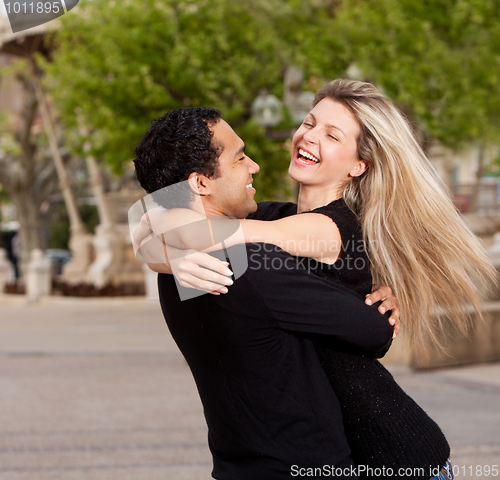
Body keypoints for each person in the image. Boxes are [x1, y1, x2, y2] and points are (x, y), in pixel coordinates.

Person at [136, 80, 495, 480]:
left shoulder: (331, 229)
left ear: (358, 165)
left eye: (332, 134)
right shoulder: (273, 217)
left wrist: (160, 247)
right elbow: (173, 214)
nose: (308, 136)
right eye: (309, 122)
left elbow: (187, 223)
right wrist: (162, 250)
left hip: (397, 454)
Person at [133, 106, 399, 480]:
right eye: (240, 157)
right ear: (201, 183)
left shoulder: (179, 268)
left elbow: (150, 218)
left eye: (332, 134)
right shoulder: (250, 264)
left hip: (235, 464)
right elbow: (376, 331)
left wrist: (158, 249)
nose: (254, 165)